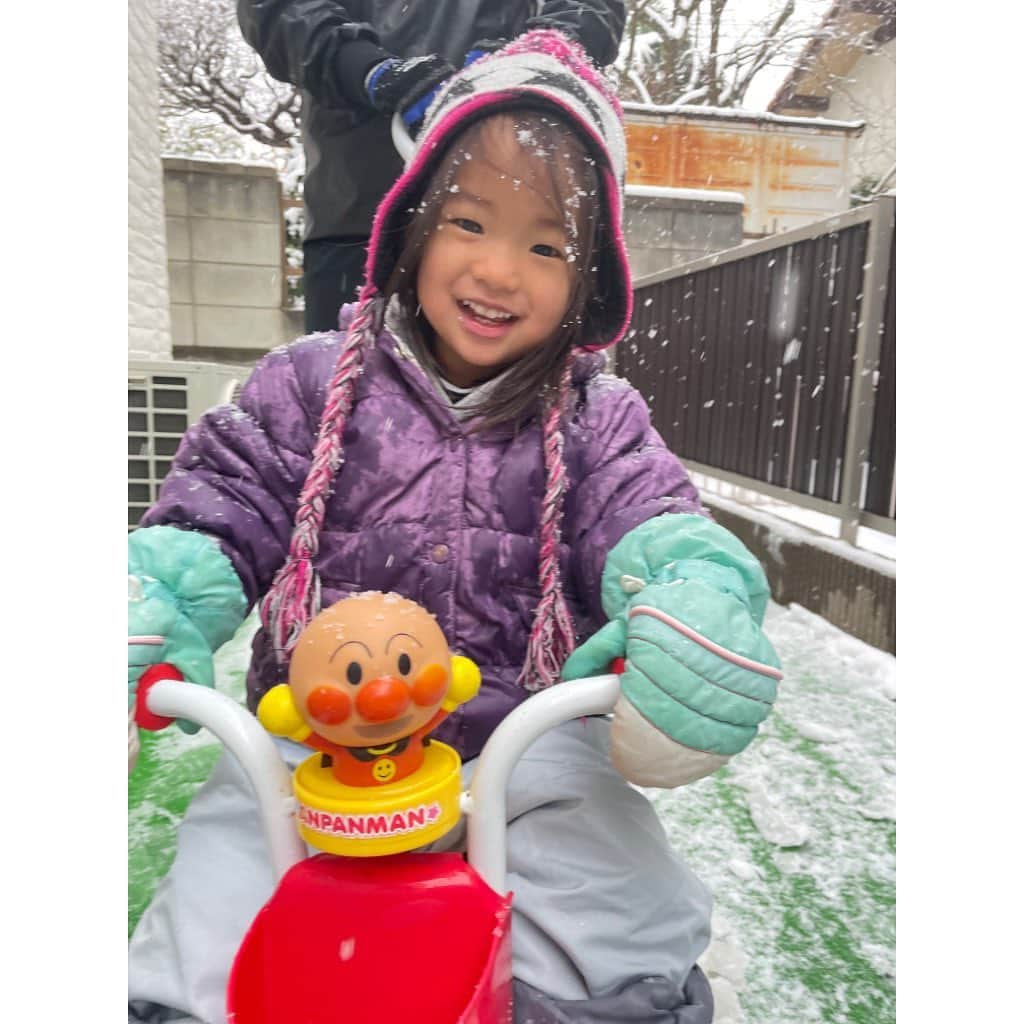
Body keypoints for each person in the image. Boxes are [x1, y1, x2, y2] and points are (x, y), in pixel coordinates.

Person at [128, 31, 782, 1024]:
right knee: (205, 941)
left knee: (626, 930)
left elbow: (655, 520)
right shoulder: (305, 385)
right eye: (469, 222)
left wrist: (693, 595)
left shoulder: (596, 418)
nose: (499, 271)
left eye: (546, 245)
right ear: (413, 230)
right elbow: (221, 507)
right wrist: (155, 599)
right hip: (311, 748)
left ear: (587, 281)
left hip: (515, 754)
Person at [236, 0, 626, 333]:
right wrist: (363, 68)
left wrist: (533, 53)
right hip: (357, 209)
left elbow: (590, 7)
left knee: (512, 399)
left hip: (510, 188)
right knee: (337, 386)